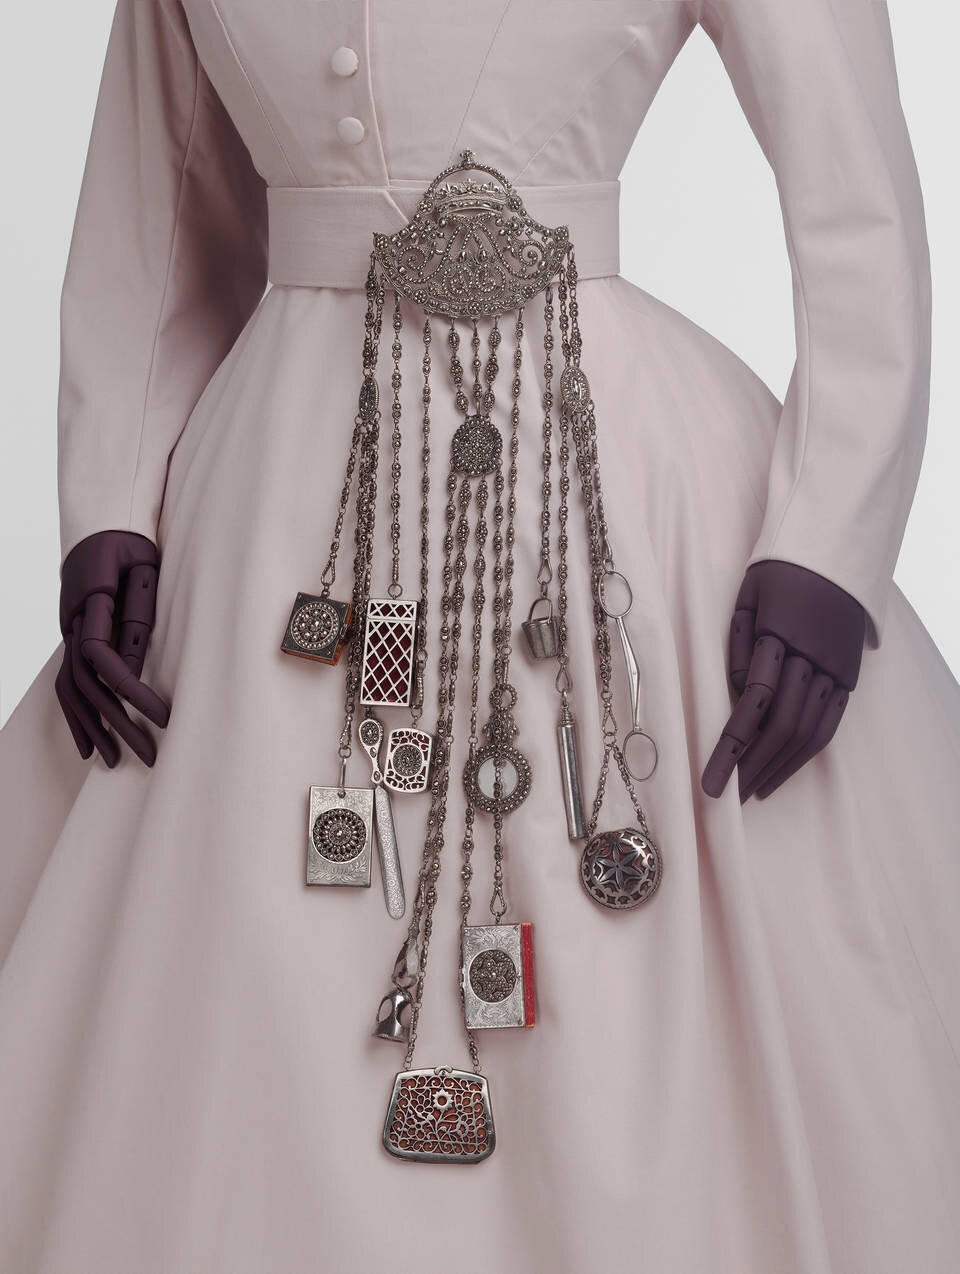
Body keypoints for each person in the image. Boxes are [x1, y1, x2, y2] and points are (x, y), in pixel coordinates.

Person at [2, 2, 958, 1270]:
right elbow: (162, 197)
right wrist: (111, 500)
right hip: (274, 519)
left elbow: (857, 210)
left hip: (606, 488)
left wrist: (832, 538)